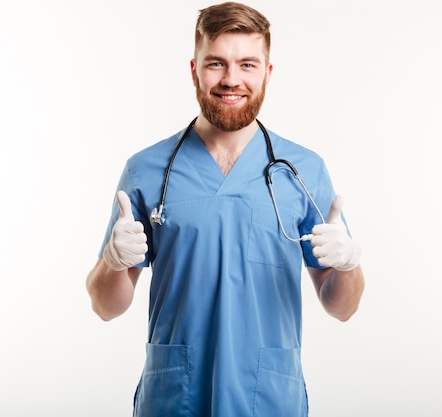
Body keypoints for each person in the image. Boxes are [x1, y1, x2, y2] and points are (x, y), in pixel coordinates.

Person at [86, 2, 365, 416]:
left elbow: (341, 307)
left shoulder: (303, 172)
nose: (232, 80)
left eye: (247, 64)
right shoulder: (146, 171)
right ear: (194, 68)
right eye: (216, 63)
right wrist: (112, 262)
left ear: (267, 73)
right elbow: (106, 307)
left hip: (267, 399)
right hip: (176, 399)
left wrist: (348, 265)